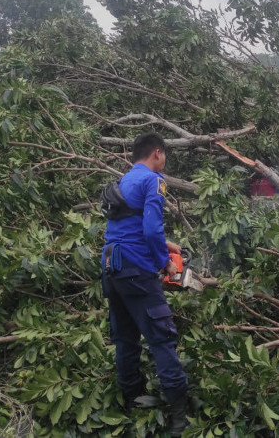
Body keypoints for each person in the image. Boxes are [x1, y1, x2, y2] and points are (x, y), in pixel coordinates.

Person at [101, 132, 188, 436]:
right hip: (138, 272)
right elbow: (150, 229)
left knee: (125, 339)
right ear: (157, 153)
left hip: (112, 268)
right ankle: (179, 419)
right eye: (163, 156)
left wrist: (165, 244)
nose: (163, 162)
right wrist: (164, 260)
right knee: (163, 338)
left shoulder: (124, 181)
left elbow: (130, 227)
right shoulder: (154, 180)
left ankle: (132, 405)